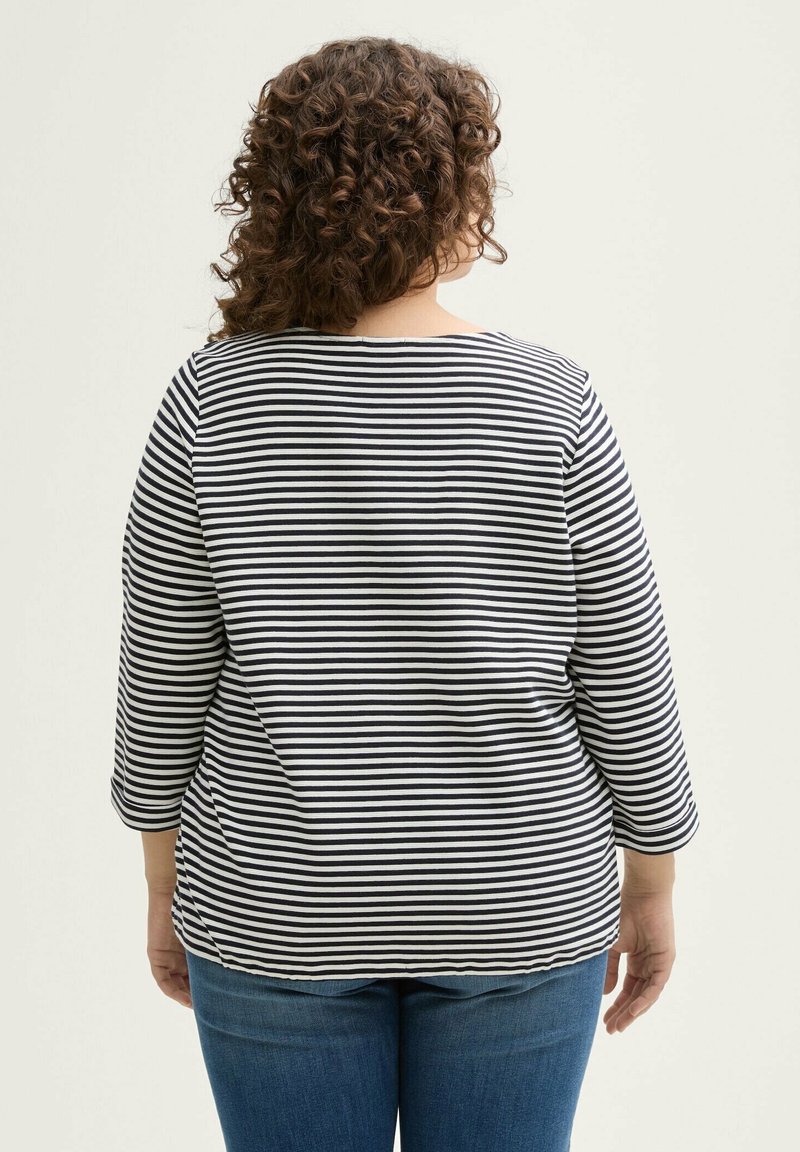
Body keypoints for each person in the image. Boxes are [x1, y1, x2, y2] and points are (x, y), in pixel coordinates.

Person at [111, 35, 700, 1152]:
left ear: (279, 201)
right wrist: (653, 877)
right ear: (455, 196)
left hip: (277, 903)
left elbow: (164, 671)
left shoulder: (212, 401)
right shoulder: (551, 402)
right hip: (517, 903)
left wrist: (162, 872)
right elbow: (624, 669)